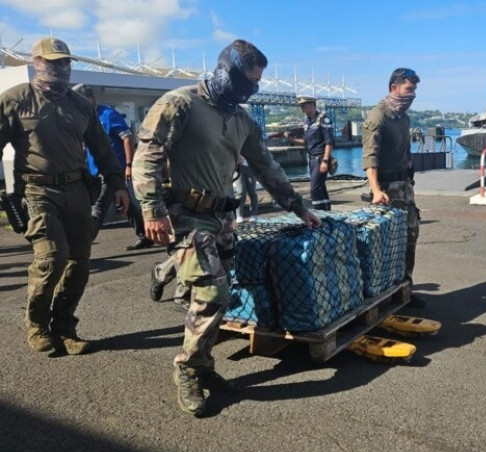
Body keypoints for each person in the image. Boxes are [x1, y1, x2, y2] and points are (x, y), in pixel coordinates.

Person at [132, 39, 321, 417]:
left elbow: (267, 166)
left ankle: (202, 364)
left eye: (256, 85)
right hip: (186, 214)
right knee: (213, 292)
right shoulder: (179, 104)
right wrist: (152, 210)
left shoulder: (242, 120)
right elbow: (147, 156)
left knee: (218, 294)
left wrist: (299, 206)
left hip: (222, 218)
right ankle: (186, 368)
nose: (251, 91)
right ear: (225, 72)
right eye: (246, 82)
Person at [0, 37, 129, 354]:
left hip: (77, 190)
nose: (61, 67)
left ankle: (64, 327)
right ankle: (37, 326)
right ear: (36, 62)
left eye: (66, 61)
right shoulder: (15, 100)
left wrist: (118, 185)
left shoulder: (80, 104)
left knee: (79, 264)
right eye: (53, 61)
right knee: (51, 258)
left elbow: (102, 149)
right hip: (37, 189)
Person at [362, 67, 425, 309]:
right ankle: (382, 294)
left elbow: (406, 150)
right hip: (386, 189)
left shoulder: (404, 118)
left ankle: (405, 291)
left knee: (410, 238)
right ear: (394, 88)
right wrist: (376, 190)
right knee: (386, 244)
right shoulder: (378, 116)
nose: (413, 94)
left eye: (415, 89)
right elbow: (370, 157)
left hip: (405, 186)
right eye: (409, 89)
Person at [71, 84, 154, 250]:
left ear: (91, 98)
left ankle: (81, 246)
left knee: (98, 207)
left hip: (112, 170)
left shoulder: (107, 114)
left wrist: (129, 165)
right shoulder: (86, 118)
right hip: (96, 170)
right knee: (126, 204)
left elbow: (127, 138)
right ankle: (145, 235)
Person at [285, 95, 334, 211]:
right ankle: (326, 211)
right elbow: (306, 142)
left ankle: (319, 212)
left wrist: (325, 161)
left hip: (321, 158)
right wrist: (292, 140)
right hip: (311, 159)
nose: (301, 109)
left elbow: (329, 142)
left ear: (312, 105)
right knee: (320, 187)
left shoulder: (323, 120)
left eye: (303, 106)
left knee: (315, 188)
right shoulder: (308, 122)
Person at [232, 154, 258, 224]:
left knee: (252, 192)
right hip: (238, 168)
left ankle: (254, 214)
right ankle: (239, 215)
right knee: (240, 192)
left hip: (250, 168)